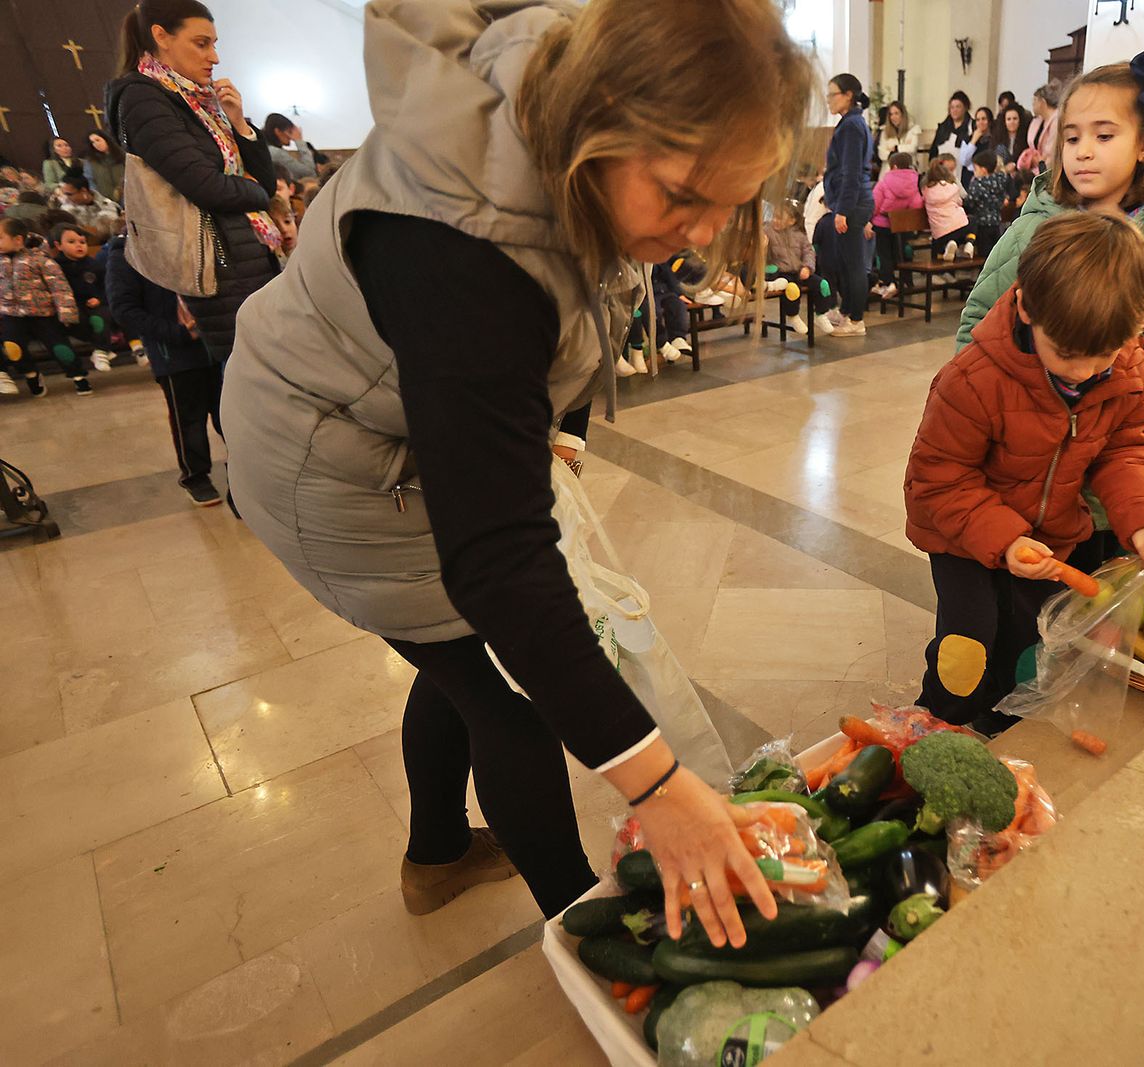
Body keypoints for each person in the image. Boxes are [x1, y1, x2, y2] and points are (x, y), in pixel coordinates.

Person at [221, 0, 810, 942]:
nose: (703, 233)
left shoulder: (563, 87)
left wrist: (559, 424)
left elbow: (576, 296)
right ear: (599, 125)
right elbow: (496, 561)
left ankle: (439, 852)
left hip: (380, 427)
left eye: (730, 202)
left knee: (455, 667)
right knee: (512, 701)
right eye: (683, 196)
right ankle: (583, 932)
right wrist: (659, 785)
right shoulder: (465, 247)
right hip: (333, 468)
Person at [904, 211, 1144, 727]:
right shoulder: (973, 379)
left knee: (1029, 640)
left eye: (1101, 356)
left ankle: (1001, 728)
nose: (1082, 371)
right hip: (960, 535)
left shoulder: (1125, 368)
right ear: (1027, 307)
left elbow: (1126, 448)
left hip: (1049, 537)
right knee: (969, 643)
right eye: (1069, 354)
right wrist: (1006, 539)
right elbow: (939, 478)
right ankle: (938, 722)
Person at [956, 54, 1144, 567]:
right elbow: (978, 322)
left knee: (1080, 576)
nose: (1083, 152)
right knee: (1009, 569)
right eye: (1072, 138)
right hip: (1017, 446)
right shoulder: (1033, 233)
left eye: (1103, 136)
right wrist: (979, 406)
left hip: (1102, 449)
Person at [108, 0, 282, 364]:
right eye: (202, 43)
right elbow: (206, 186)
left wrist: (240, 125)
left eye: (215, 44)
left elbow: (264, 181)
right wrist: (260, 195)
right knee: (253, 381)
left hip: (248, 254)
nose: (215, 57)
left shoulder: (201, 102)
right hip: (219, 266)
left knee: (276, 375)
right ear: (161, 37)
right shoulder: (142, 97)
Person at [105, 232, 225, 505]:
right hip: (174, 353)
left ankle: (242, 470)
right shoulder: (126, 252)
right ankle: (195, 476)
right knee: (189, 421)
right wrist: (176, 334)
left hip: (216, 343)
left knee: (229, 414)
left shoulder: (193, 235)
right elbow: (124, 308)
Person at [0, 217, 92, 397]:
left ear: (18, 239)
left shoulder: (39, 258)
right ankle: (31, 374)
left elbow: (59, 287)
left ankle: (78, 376)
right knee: (12, 347)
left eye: (1, 237)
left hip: (43, 313)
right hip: (12, 314)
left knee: (60, 347)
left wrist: (67, 313)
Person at [823, 72, 873, 338]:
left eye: (832, 94)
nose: (829, 100)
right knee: (846, 261)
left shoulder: (852, 126)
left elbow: (851, 172)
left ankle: (856, 320)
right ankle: (848, 313)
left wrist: (842, 209)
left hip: (852, 202)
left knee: (853, 264)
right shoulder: (851, 123)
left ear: (848, 95)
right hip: (853, 201)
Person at [50, 222, 120, 372]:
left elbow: (106, 286)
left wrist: (99, 299)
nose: (79, 246)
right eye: (71, 242)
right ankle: (103, 348)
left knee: (101, 317)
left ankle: (100, 351)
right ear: (58, 245)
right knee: (75, 321)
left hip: (95, 305)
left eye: (82, 242)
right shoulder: (55, 267)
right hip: (71, 308)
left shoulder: (93, 265)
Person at [764, 199, 834, 335]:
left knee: (823, 285)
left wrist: (807, 267)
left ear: (792, 221)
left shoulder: (799, 234)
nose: (775, 220)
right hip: (781, 273)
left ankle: (820, 314)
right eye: (774, 216)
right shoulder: (767, 231)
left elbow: (809, 251)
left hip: (799, 271)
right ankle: (793, 315)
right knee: (792, 289)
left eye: (779, 218)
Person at [870, 151, 922, 300]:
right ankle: (903, 281)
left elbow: (874, 205)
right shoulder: (913, 182)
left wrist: (869, 219)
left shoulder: (884, 182)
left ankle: (888, 282)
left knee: (883, 255)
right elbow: (917, 204)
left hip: (882, 225)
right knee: (896, 254)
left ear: (893, 166)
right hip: (901, 227)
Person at [965, 150, 1012, 257]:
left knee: (984, 255)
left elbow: (970, 202)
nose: (974, 172)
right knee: (995, 255)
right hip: (996, 223)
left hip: (982, 224)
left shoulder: (977, 184)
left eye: (975, 169)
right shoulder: (1000, 180)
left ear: (983, 170)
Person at [923, 154, 970, 259]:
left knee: (940, 237)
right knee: (970, 224)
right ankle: (969, 243)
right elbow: (962, 198)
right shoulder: (953, 186)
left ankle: (943, 267)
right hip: (958, 225)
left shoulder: (926, 189)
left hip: (939, 229)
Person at [54, 174, 123, 240]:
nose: (66, 198)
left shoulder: (108, 205)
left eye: (69, 194)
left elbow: (108, 232)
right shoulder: (65, 210)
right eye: (64, 194)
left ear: (83, 191)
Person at [261, 113, 320, 180]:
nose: (292, 137)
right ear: (278, 131)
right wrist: (299, 141)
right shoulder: (276, 153)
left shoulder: (268, 149)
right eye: (289, 132)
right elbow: (309, 172)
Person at [1020, 81, 1061, 178]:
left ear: (1042, 102)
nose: (1032, 104)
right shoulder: (1037, 121)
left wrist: (1040, 162)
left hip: (1049, 168)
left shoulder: (1057, 120)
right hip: (1035, 166)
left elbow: (1052, 152)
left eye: (1034, 101)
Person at [930, 91, 975, 161]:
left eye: (958, 107)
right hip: (943, 168)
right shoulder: (943, 128)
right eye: (952, 107)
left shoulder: (972, 126)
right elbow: (934, 151)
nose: (955, 110)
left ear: (965, 108)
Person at [83, 132, 127, 202]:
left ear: (106, 139)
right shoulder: (90, 162)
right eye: (93, 142)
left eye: (97, 140)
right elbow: (90, 182)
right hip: (106, 201)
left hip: (126, 196)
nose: (96, 144)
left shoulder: (123, 155)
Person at [876, 101, 921, 166]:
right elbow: (881, 153)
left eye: (896, 113)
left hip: (908, 169)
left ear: (902, 114)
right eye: (891, 114)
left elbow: (912, 148)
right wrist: (898, 152)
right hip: (889, 169)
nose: (893, 117)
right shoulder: (884, 132)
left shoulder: (913, 129)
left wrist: (896, 148)